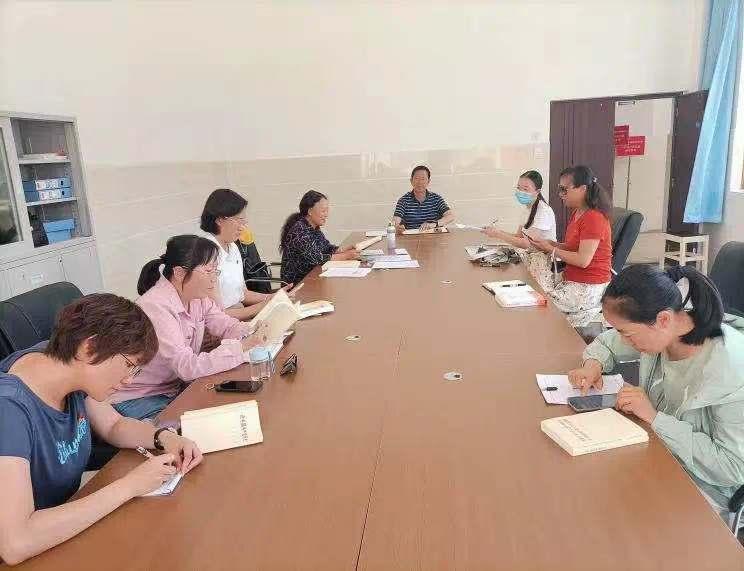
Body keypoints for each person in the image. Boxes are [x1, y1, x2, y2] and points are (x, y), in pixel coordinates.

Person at [0, 294, 203, 565]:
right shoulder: (9, 409)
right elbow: (16, 543)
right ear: (89, 347)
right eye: (129, 365)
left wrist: (163, 437)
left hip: (63, 528)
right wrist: (130, 486)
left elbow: (113, 425)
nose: (128, 380)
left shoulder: (65, 367)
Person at [569, 264, 744, 523]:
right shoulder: (669, 329)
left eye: (627, 334)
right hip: (658, 450)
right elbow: (608, 343)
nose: (624, 340)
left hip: (705, 487)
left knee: (615, 518)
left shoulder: (731, 369)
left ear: (663, 320)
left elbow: (733, 467)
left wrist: (655, 418)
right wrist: (593, 365)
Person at [109, 235, 266, 420]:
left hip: (172, 387)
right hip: (141, 396)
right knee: (185, 431)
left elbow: (226, 325)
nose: (214, 279)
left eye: (216, 271)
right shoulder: (156, 307)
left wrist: (254, 329)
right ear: (179, 273)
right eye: (208, 271)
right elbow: (186, 366)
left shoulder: (197, 298)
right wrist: (241, 347)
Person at [527, 165, 613, 326]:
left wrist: (551, 249)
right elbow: (572, 247)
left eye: (564, 190)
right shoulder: (578, 213)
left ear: (582, 189)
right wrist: (551, 244)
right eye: (559, 189)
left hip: (588, 288)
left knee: (535, 303)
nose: (560, 194)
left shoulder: (593, 217)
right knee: (533, 268)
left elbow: (583, 260)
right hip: (572, 280)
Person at [199, 188, 294, 321]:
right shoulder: (204, 253)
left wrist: (272, 297)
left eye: (244, 221)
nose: (243, 227)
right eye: (239, 220)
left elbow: (241, 293)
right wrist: (264, 305)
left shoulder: (233, 247)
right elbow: (217, 316)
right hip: (222, 324)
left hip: (240, 314)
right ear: (220, 219)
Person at [279, 190, 359, 284]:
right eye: (323, 211)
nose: (326, 215)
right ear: (310, 211)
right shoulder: (299, 231)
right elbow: (317, 259)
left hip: (312, 278)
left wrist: (342, 250)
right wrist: (345, 256)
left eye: (327, 211)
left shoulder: (314, 227)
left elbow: (326, 247)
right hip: (297, 285)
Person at [482, 170, 556, 248]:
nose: (520, 192)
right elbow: (519, 237)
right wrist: (496, 232)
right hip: (531, 253)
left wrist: (498, 234)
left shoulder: (543, 211)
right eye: (518, 188)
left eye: (525, 189)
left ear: (537, 191)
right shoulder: (527, 209)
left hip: (544, 255)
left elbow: (528, 244)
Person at [392, 165, 455, 231]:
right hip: (412, 236)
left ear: (428, 181)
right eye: (416, 179)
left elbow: (450, 216)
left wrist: (434, 224)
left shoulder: (436, 198)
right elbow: (395, 220)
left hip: (433, 236)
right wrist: (397, 227)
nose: (420, 182)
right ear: (411, 181)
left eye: (423, 179)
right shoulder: (403, 200)